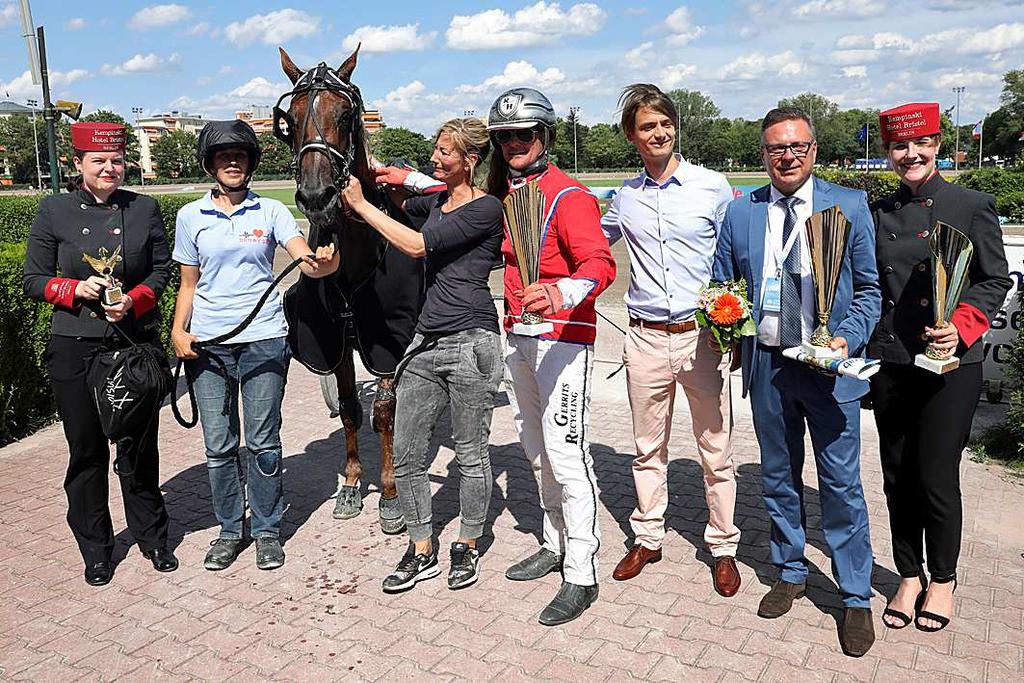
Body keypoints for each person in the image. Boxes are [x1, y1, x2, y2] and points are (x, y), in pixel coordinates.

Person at [712, 107, 881, 657]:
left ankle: (855, 597)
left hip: (829, 370)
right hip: (768, 363)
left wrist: (846, 339)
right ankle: (789, 569)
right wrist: (723, 319)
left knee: (841, 485)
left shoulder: (848, 206)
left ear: (814, 151)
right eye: (776, 148)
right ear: (763, 153)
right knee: (779, 477)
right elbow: (721, 284)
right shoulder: (742, 213)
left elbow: (871, 291)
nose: (787, 157)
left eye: (798, 147)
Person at [340, 117, 504, 593]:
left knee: (471, 454)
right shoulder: (434, 203)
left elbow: (413, 246)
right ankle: (420, 548)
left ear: (469, 161)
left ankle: (467, 543)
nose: (435, 158)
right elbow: (397, 193)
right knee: (409, 454)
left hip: (472, 343)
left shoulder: (487, 208)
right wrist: (370, 172)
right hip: (424, 343)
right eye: (435, 150)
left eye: (444, 152)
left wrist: (359, 205)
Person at [171, 120, 338, 571]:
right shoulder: (191, 217)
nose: (232, 162)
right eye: (224, 156)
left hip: (263, 339)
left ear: (250, 164)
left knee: (263, 440)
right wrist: (178, 330)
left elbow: (301, 250)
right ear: (210, 164)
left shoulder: (270, 212)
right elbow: (188, 284)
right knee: (219, 445)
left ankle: (266, 529)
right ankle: (230, 530)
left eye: (240, 156)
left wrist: (321, 259)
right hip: (209, 345)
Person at [870, 103, 1011, 632]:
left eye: (920, 144)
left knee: (935, 477)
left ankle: (944, 579)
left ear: (938, 145)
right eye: (899, 146)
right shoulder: (879, 211)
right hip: (894, 360)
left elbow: (994, 278)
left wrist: (963, 325)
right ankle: (909, 575)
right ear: (887, 152)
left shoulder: (972, 204)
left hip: (952, 363)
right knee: (897, 475)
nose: (910, 154)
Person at [601, 84, 742, 595]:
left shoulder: (711, 186)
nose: (658, 133)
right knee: (646, 448)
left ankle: (724, 546)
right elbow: (593, 245)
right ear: (631, 136)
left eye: (664, 124)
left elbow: (736, 255)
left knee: (714, 448)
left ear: (674, 127)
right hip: (643, 338)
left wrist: (739, 328)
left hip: (700, 338)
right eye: (646, 126)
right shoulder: (625, 197)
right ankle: (648, 537)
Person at [23, 122, 177, 586]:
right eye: (99, 161)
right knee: (86, 451)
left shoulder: (144, 208)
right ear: (79, 165)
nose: (110, 169)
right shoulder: (54, 210)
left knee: (138, 447)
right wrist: (74, 288)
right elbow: (32, 280)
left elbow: (161, 270)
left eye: (116, 161)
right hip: (75, 349)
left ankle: (152, 537)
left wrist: (134, 300)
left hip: (132, 345)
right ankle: (96, 548)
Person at [487, 87, 617, 625]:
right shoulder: (507, 193)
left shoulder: (570, 196)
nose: (516, 143)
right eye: (506, 136)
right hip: (518, 334)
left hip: (563, 337)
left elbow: (600, 263)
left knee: (566, 455)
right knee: (533, 448)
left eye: (525, 134)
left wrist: (561, 292)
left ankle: (582, 570)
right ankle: (554, 539)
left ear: (544, 137)